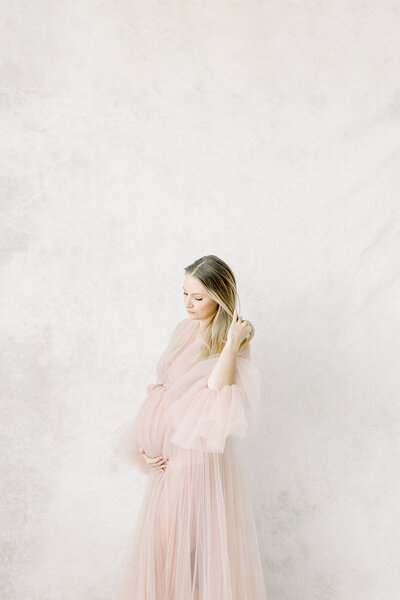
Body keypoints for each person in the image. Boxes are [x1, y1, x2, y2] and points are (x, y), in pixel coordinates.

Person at [112, 254, 268, 600]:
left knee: (186, 552)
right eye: (184, 294)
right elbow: (166, 391)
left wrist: (231, 343)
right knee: (164, 551)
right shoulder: (184, 328)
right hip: (167, 460)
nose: (188, 304)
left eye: (198, 297)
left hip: (194, 459)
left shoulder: (232, 339)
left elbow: (217, 395)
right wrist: (145, 442)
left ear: (220, 295)